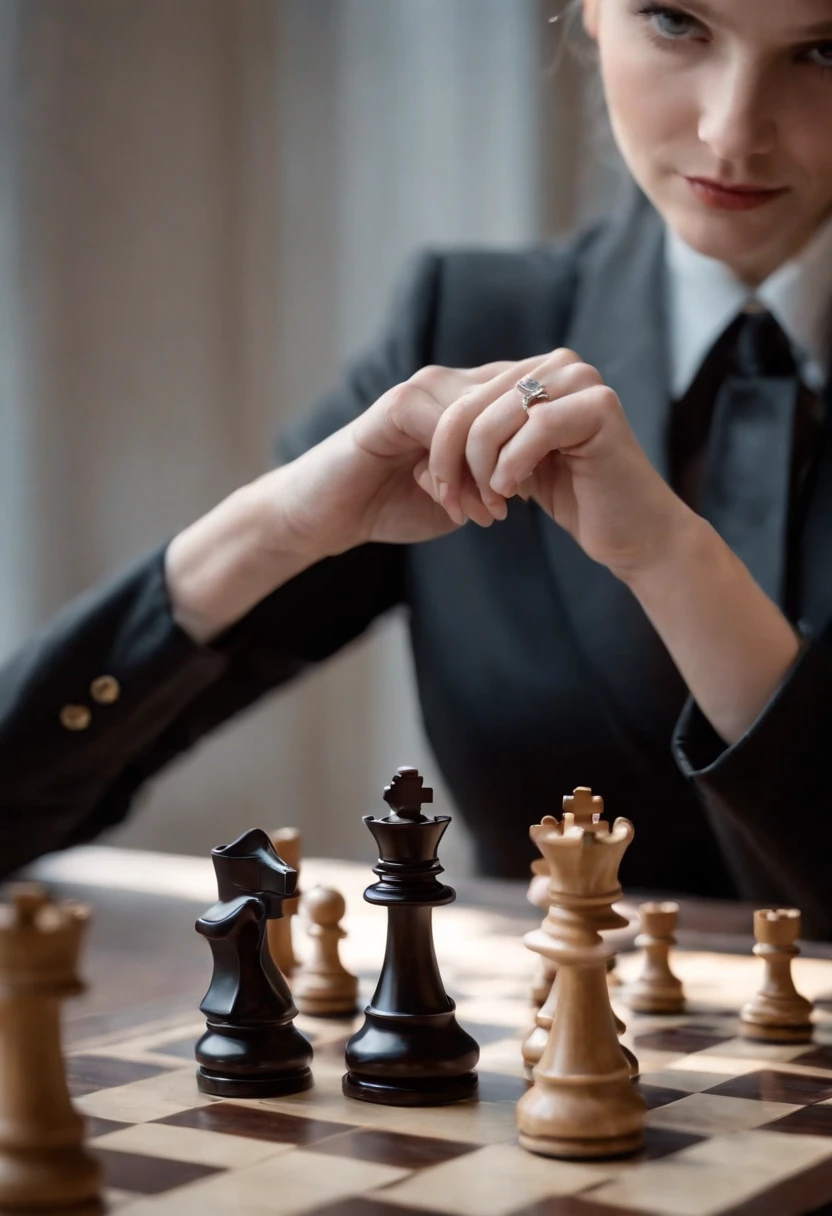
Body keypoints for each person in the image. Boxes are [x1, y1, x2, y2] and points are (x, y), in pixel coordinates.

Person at [2, 0, 832, 933]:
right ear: (592, 10)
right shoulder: (463, 327)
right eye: (679, 23)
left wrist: (676, 564)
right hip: (532, 1067)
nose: (733, 129)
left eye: (823, 51)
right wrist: (267, 529)